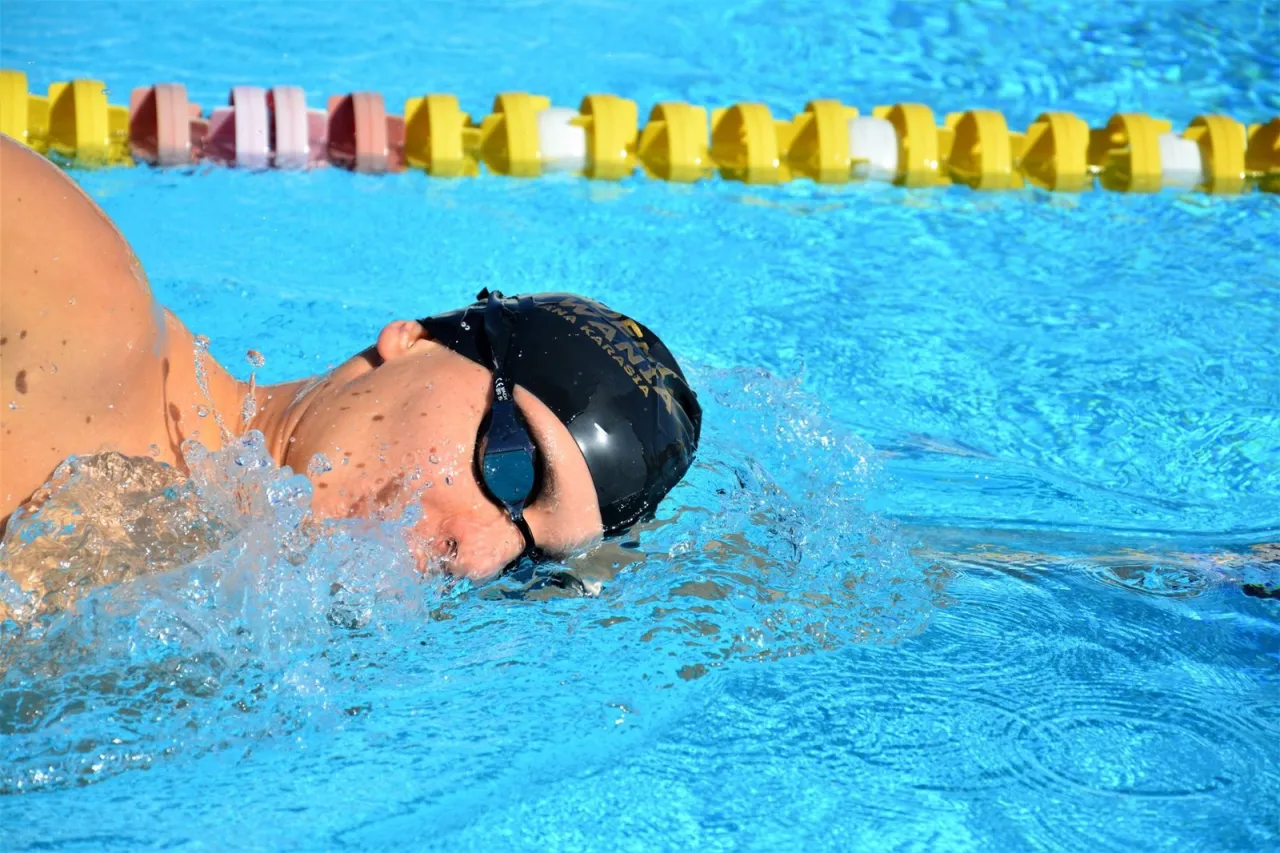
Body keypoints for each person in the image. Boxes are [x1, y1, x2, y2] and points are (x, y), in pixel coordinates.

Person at [0, 133, 701, 582]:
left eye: (528, 556)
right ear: (412, 341)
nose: (478, 559)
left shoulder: (231, 623)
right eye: (513, 466)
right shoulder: (79, 304)